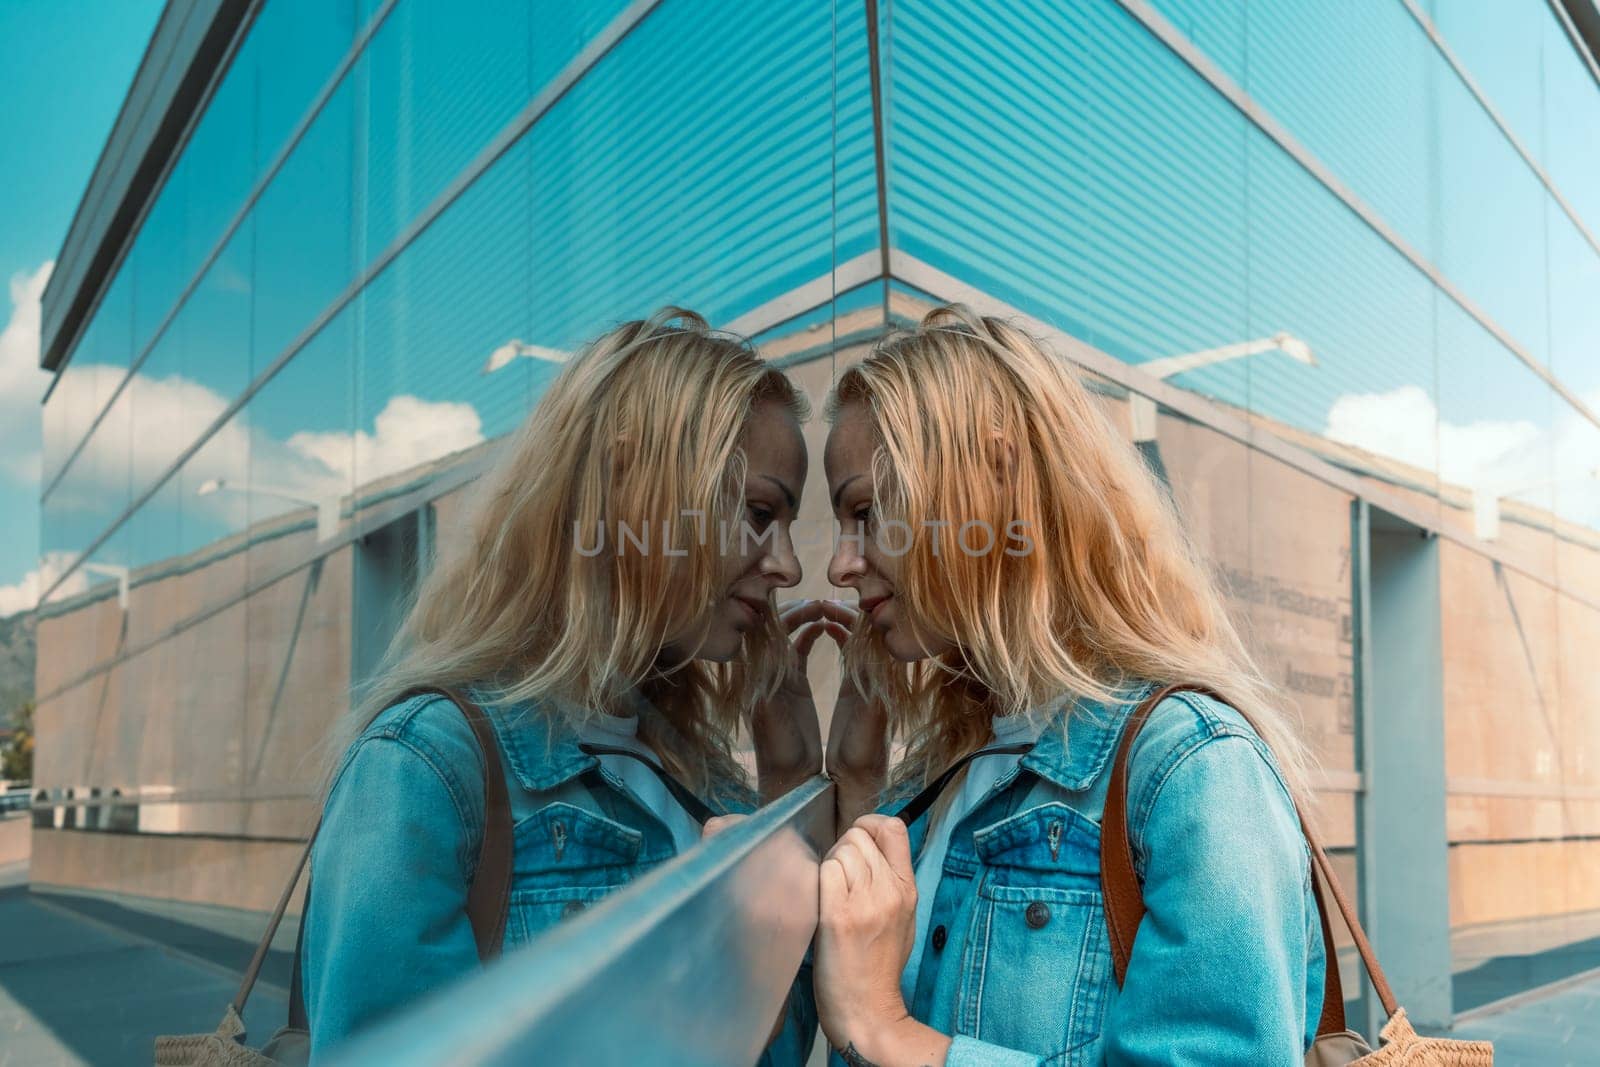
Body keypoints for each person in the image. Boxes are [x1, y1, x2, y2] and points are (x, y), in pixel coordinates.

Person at [302, 308, 841, 1062]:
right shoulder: (421, 767)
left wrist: (788, 790)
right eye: (758, 513)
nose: (786, 565)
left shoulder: (705, 773)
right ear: (629, 492)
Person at [812, 305, 1324, 1065]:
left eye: (867, 512)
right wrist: (852, 785)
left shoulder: (1194, 767)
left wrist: (889, 1031)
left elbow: (876, 1017)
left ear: (991, 482)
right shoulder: (949, 765)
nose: (838, 565)